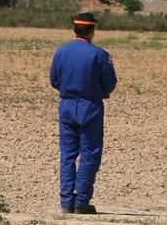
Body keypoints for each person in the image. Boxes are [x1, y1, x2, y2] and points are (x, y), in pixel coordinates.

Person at [49, 12, 118, 214]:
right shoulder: (99, 54)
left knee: (68, 154)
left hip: (67, 105)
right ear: (92, 30)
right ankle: (81, 201)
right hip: (90, 106)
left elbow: (54, 80)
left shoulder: (61, 52)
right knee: (89, 153)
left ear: (75, 29)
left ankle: (66, 201)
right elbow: (110, 83)